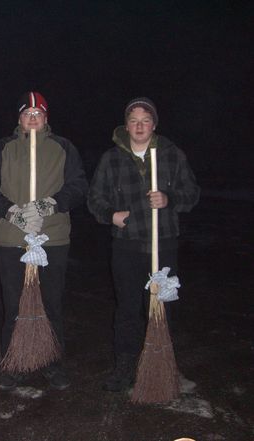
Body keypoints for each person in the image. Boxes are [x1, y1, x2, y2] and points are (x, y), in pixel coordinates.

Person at [0, 91, 88, 391]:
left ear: (46, 118)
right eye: (28, 113)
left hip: (52, 238)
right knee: (14, 305)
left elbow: (78, 185)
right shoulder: (2, 148)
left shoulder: (63, 148)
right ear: (19, 119)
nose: (33, 118)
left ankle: (53, 362)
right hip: (13, 239)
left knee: (50, 303)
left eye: (39, 113)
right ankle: (15, 363)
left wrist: (53, 203)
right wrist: (8, 211)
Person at [87, 97, 200, 392]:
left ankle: (164, 364)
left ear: (154, 125)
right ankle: (125, 366)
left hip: (163, 244)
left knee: (162, 307)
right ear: (126, 125)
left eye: (145, 120)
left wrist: (169, 199)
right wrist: (111, 216)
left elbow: (192, 193)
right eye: (134, 120)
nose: (139, 126)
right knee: (127, 309)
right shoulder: (111, 159)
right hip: (126, 246)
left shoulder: (171, 155)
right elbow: (94, 199)